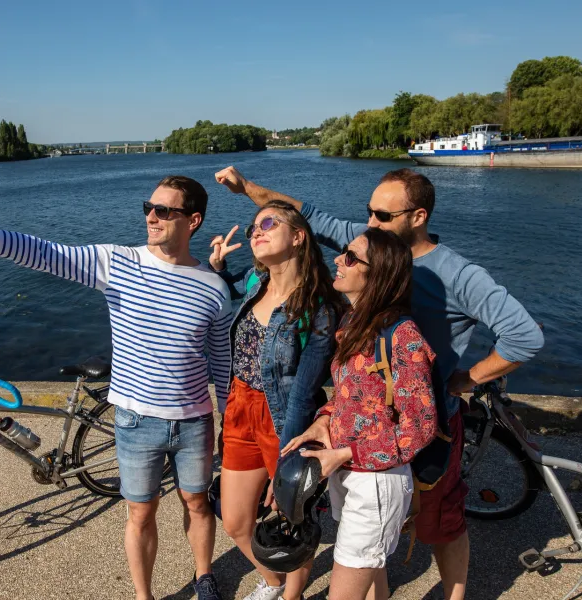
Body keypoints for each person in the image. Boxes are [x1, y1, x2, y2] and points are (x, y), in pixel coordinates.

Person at [214, 166, 544, 600]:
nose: (368, 223)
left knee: (439, 525)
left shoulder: (459, 277)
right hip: (366, 426)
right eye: (368, 212)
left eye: (382, 217)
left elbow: (525, 336)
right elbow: (308, 215)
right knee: (375, 545)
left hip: (421, 424)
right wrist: (246, 189)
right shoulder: (360, 277)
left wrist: (461, 380)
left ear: (418, 216)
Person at [0, 176, 231, 600]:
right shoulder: (118, 262)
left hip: (195, 421)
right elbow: (44, 253)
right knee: (141, 512)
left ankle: (205, 577)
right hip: (135, 418)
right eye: (149, 206)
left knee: (197, 504)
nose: (151, 215)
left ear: (193, 220)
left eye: (165, 210)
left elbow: (221, 363)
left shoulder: (214, 287)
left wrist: (232, 419)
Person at [283, 228, 437, 600]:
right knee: (373, 577)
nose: (338, 259)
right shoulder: (354, 322)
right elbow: (350, 395)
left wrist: (347, 453)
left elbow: (421, 426)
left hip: (376, 484)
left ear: (377, 273)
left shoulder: (403, 336)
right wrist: (323, 422)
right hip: (348, 472)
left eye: (351, 257)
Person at [208, 200, 343, 600]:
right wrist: (217, 268)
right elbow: (232, 287)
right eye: (254, 228)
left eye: (268, 223)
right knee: (234, 520)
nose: (256, 231)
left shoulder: (318, 306)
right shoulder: (255, 281)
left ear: (298, 236)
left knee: (290, 521)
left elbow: (304, 389)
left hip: (284, 415)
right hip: (239, 407)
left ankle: (291, 595)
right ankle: (273, 578)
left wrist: (288, 459)